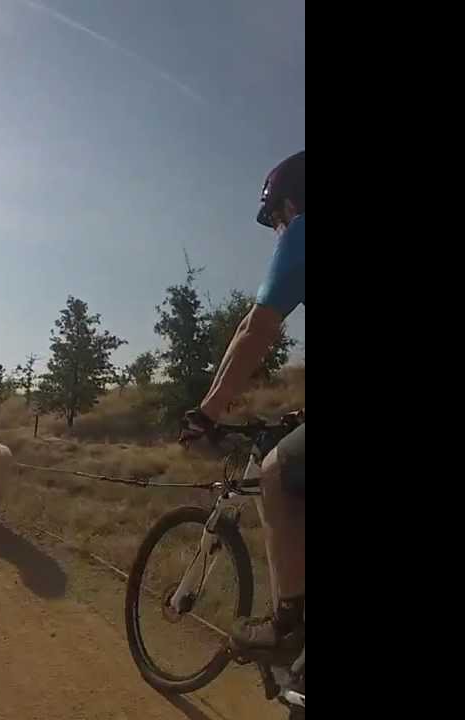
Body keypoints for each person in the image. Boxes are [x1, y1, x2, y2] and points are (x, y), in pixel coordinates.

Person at [180, 150, 305, 664]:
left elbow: (255, 330)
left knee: (276, 473)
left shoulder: (302, 233)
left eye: (276, 218)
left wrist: (207, 412)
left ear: (291, 205)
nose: (277, 230)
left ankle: (289, 625)